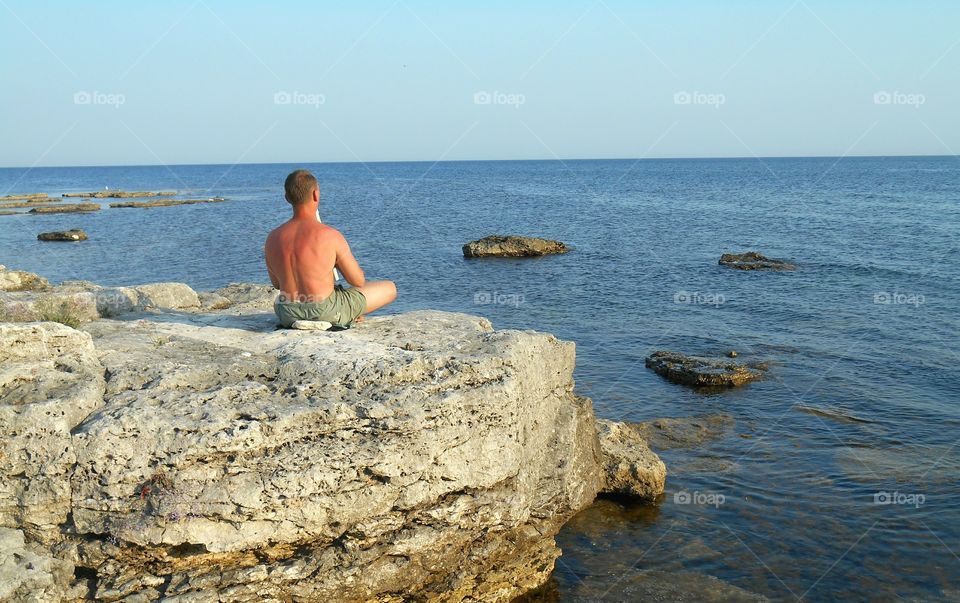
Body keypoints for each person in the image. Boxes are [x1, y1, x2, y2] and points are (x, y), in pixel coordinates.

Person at [264, 169, 396, 328]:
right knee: (390, 288)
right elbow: (357, 280)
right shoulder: (330, 235)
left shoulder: (272, 237)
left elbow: (277, 284)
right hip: (324, 311)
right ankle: (347, 313)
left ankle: (346, 311)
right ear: (315, 195)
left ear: (287, 198)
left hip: (287, 311)